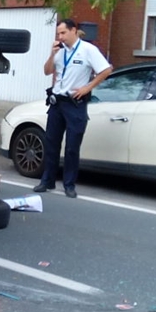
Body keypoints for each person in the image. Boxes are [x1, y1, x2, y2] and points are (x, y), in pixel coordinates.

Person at [33, 18, 113, 199]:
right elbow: (47, 71)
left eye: (63, 33)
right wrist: (51, 54)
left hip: (75, 103)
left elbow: (106, 70)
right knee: (51, 143)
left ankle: (69, 184)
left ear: (73, 31)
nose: (60, 37)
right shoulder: (60, 52)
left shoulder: (88, 50)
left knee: (72, 146)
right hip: (57, 102)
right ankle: (47, 180)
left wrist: (87, 87)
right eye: (58, 34)